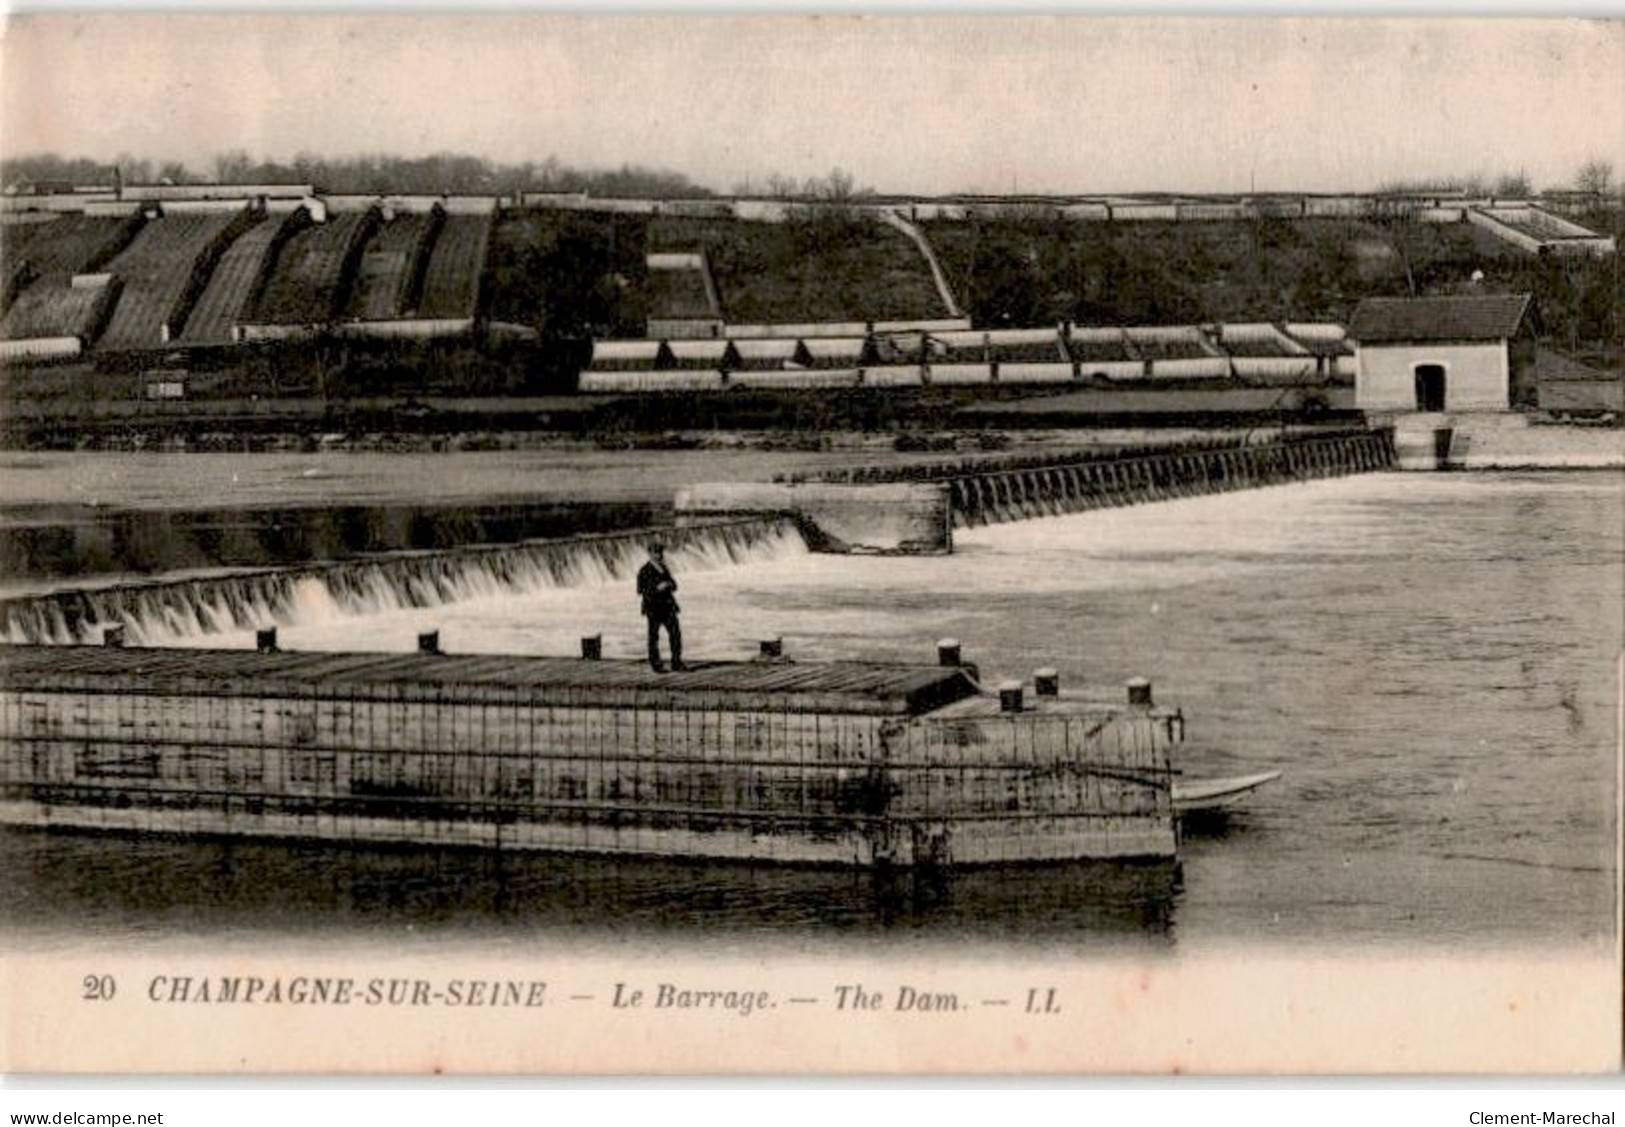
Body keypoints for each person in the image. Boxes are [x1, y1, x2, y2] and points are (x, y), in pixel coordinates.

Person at [636, 541, 686, 672]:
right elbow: (640, 590)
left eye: (660, 553)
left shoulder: (663, 567)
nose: (659, 555)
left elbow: (675, 585)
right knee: (654, 637)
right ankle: (655, 664)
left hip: (668, 607)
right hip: (653, 608)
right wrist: (657, 588)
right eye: (656, 553)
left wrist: (668, 585)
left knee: (675, 634)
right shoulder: (644, 570)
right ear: (650, 554)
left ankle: (676, 662)